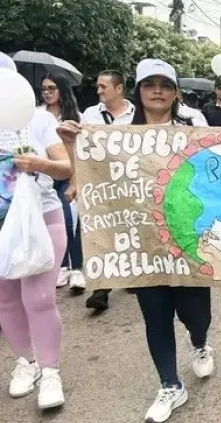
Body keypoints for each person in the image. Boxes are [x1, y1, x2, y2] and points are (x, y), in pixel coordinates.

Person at [59, 59, 216, 423]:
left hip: (190, 241)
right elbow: (91, 175)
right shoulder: (114, 135)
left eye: (164, 84)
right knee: (155, 315)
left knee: (197, 314)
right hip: (141, 245)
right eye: (149, 84)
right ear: (140, 92)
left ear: (176, 94)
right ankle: (170, 385)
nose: (157, 90)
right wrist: (72, 147)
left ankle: (200, 342)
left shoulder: (195, 127)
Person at [0, 81, 73, 410]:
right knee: (6, 298)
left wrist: (37, 164)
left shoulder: (40, 120)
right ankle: (24, 362)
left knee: (40, 297)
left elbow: (66, 167)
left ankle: (49, 370)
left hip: (43, 217)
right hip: (3, 223)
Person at [77, 70, 136, 312]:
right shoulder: (90, 114)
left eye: (103, 87)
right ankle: (101, 289)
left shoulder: (137, 114)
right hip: (99, 181)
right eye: (98, 87)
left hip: (131, 180)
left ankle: (134, 273)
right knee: (102, 231)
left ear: (119, 89)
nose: (99, 91)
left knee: (130, 228)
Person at [39, 74, 85, 294]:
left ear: (63, 91)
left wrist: (75, 180)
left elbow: (80, 152)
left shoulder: (76, 117)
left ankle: (76, 267)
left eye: (52, 88)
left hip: (69, 176)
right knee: (54, 225)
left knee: (71, 222)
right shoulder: (36, 116)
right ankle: (62, 265)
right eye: (44, 89)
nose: (47, 92)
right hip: (45, 178)